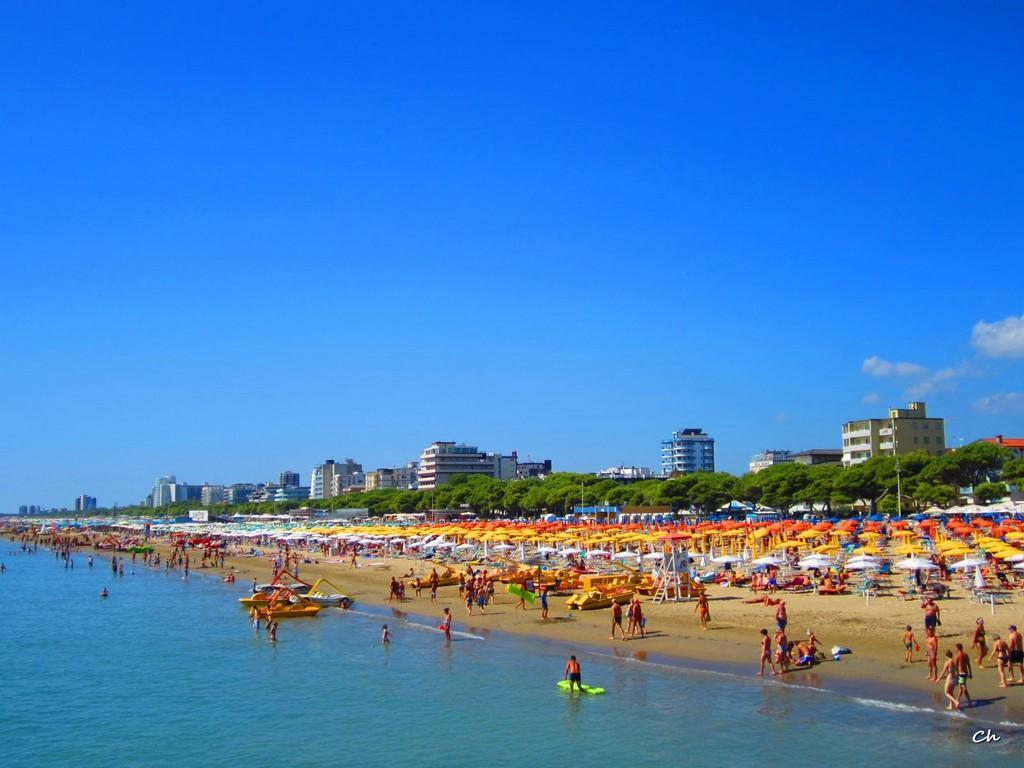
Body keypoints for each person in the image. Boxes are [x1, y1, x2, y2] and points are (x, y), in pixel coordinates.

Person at [952, 642, 972, 708]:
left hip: (960, 674)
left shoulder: (957, 656)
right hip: (965, 673)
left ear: (958, 648)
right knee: (961, 688)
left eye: (956, 648)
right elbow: (968, 665)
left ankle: (969, 702)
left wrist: (955, 674)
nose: (955, 650)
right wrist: (970, 673)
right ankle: (957, 701)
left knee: (963, 688)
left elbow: (955, 666)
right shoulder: (966, 655)